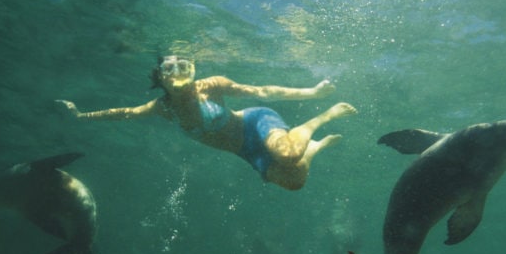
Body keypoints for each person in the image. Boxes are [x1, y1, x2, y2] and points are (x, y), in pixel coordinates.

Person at [56, 55, 357, 190]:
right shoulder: (163, 108)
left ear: (193, 69)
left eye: (184, 66)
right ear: (160, 76)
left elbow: (261, 91)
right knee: (295, 181)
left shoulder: (212, 85)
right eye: (169, 69)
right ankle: (315, 147)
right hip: (245, 151)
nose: (177, 73)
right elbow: (124, 112)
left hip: (256, 123)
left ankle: (323, 119)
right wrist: (82, 115)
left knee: (288, 154)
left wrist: (313, 93)